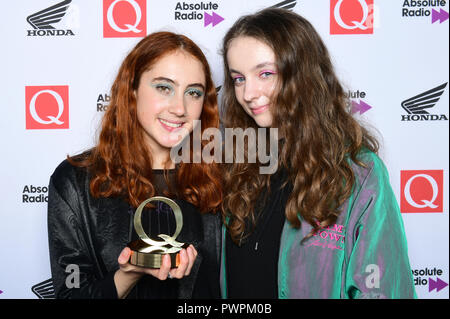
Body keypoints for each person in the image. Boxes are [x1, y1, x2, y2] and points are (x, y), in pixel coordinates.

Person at [220, 8, 416, 299]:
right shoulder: (239, 167)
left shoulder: (359, 174)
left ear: (303, 75)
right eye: (238, 79)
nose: (248, 93)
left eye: (265, 73)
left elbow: (384, 291)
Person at [47, 32, 223, 299]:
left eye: (194, 92)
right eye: (164, 87)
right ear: (132, 90)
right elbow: (70, 291)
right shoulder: (74, 181)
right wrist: (128, 274)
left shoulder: (220, 177)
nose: (180, 108)